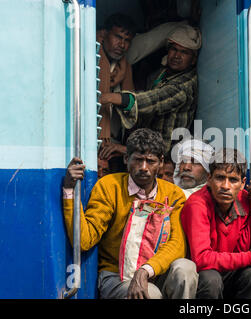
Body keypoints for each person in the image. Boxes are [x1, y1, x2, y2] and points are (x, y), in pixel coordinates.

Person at [62, 128, 198, 299]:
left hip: (155, 272)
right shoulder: (110, 187)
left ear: (161, 162)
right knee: (151, 294)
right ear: (126, 159)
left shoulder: (173, 194)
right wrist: (69, 190)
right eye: (138, 160)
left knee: (185, 268)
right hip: (116, 276)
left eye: (150, 161)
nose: (144, 168)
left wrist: (145, 270)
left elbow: (177, 244)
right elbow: (84, 240)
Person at [181, 148, 251, 299]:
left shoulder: (245, 199)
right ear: (209, 179)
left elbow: (243, 248)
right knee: (211, 279)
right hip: (204, 275)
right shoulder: (197, 204)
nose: (226, 186)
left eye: (233, 180)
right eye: (220, 178)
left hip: (229, 273)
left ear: (242, 183)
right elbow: (201, 259)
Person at [100, 24, 202, 155]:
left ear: (193, 60)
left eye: (184, 52)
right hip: (145, 150)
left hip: (164, 159)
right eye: (174, 49)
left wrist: (109, 97)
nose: (177, 55)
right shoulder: (161, 73)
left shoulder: (185, 85)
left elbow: (153, 101)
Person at [96, 13, 136, 178]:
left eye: (127, 40)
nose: (122, 44)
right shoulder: (89, 56)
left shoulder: (124, 68)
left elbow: (133, 105)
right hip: (92, 141)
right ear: (104, 34)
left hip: (114, 146)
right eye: (118, 37)